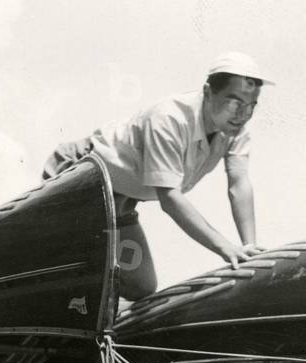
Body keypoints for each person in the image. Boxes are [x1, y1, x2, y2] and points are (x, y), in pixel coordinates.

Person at [42, 52, 275, 300]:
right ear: (208, 92)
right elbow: (169, 198)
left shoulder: (235, 131)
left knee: (141, 285)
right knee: (69, 263)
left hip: (119, 199)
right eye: (234, 102)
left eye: (251, 106)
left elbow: (239, 183)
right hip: (78, 178)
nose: (243, 114)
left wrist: (249, 247)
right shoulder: (169, 118)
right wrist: (225, 248)